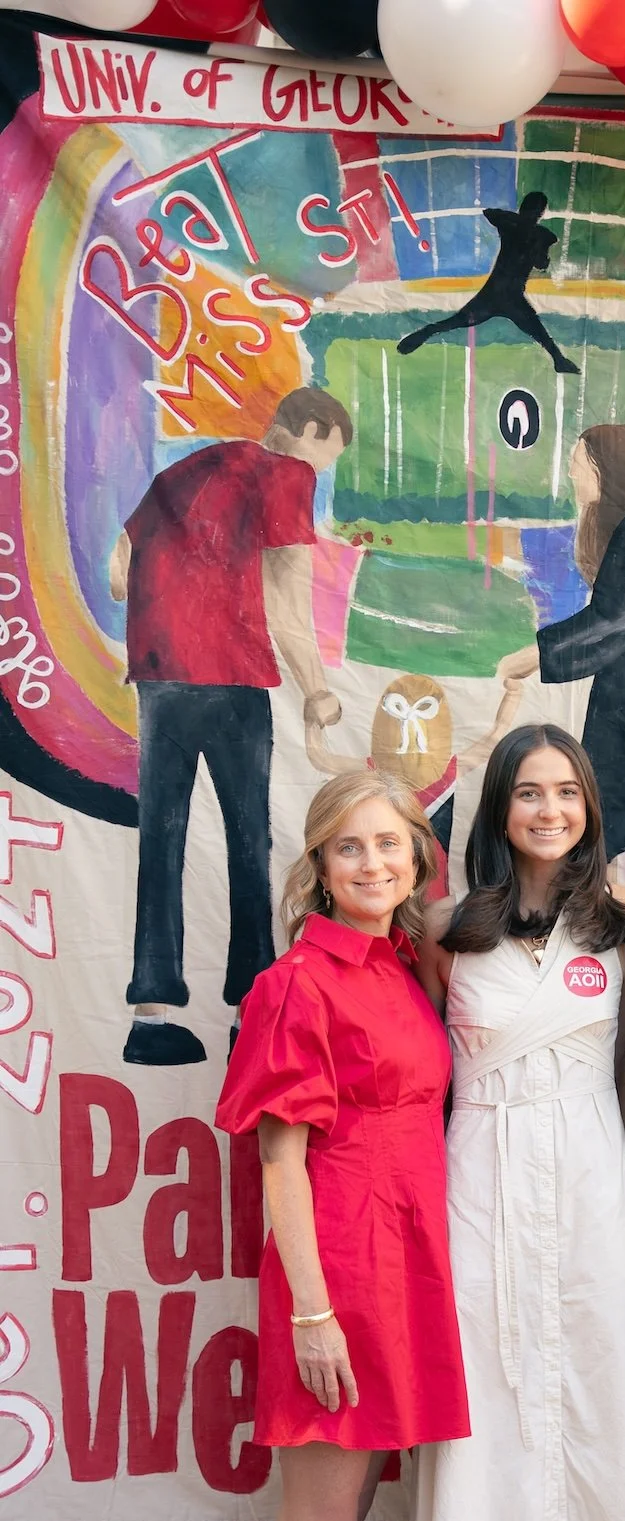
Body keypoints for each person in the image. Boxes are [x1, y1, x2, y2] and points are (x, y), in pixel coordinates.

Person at [404, 723, 625, 1521]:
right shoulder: (445, 931)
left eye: (567, 792)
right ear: (499, 809)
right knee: (489, 1449)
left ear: (590, 806)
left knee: (593, 1440)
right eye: (528, 792)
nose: (549, 809)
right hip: (482, 1197)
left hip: (596, 1203)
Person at [216, 769, 469, 1521]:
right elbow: (279, 1161)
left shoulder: (405, 963)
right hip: (342, 1271)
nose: (375, 865)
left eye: (391, 845)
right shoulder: (297, 983)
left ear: (418, 855)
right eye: (350, 850)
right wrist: (312, 1312)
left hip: (402, 1262)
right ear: (317, 867)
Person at [112, 387, 352, 1068]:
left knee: (161, 837)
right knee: (249, 841)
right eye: (324, 456)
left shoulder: (191, 467)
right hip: (231, 677)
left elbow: (120, 569)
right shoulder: (285, 473)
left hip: (161, 677)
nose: (319, 474)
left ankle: (150, 1016)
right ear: (307, 430)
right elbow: (285, 595)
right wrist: (318, 693)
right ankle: (251, 1011)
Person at [494, 425, 625, 914]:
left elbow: (617, 618)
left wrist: (535, 655)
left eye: (579, 463)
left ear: (606, 468)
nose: (571, 473)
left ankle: (600, 971)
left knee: (583, 862)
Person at [397, 191, 579, 373]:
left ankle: (428, 330)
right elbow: (540, 263)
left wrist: (517, 222)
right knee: (537, 329)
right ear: (540, 212)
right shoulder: (537, 233)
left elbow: (490, 213)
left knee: (460, 320)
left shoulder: (514, 225)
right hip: (510, 296)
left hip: (496, 293)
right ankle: (558, 359)